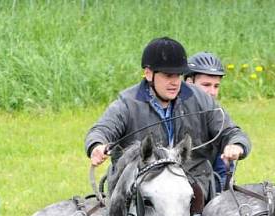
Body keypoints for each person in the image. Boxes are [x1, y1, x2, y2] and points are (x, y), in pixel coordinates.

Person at [85, 37, 250, 204]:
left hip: (192, 193)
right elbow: (101, 131)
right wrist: (96, 146)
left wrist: (236, 144)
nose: (175, 82)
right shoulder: (127, 104)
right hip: (139, 197)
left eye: (178, 75)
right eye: (168, 75)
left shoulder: (200, 99)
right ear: (149, 74)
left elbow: (231, 132)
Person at [185, 51, 230, 190]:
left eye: (216, 86)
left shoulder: (216, 112)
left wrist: (236, 145)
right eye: (206, 85)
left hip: (205, 182)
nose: (213, 92)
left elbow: (231, 132)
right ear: (188, 82)